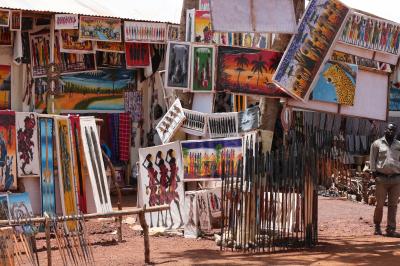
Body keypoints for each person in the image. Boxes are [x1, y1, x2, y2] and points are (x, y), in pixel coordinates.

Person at [370, 122, 400, 237]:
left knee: (393, 205)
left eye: (393, 130)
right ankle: (377, 227)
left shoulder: (398, 145)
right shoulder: (377, 144)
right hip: (381, 179)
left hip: (396, 179)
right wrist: (374, 174)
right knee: (379, 204)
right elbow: (373, 159)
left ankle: (391, 229)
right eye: (389, 130)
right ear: (385, 130)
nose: (391, 132)